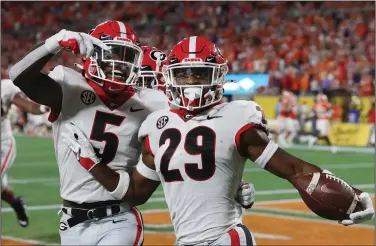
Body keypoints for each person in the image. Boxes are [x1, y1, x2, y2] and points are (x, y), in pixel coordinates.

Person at [62, 36, 374, 245]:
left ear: (217, 77)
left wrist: (352, 195)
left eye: (199, 75)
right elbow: (136, 192)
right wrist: (90, 161)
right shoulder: (157, 125)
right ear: (169, 77)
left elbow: (294, 169)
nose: (191, 84)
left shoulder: (238, 117)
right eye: (184, 75)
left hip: (227, 238)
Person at [9, 20, 170, 245]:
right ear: (91, 53)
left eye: (126, 56)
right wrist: (54, 43)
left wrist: (93, 164)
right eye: (111, 53)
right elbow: (19, 75)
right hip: (72, 220)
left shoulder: (151, 104)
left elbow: (141, 191)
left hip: (120, 218)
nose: (118, 64)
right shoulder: (69, 86)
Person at [1, 79, 49, 227]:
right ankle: (17, 204)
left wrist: (44, 108)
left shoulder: (5, 87)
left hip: (2, 144)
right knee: (3, 191)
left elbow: (26, 105)